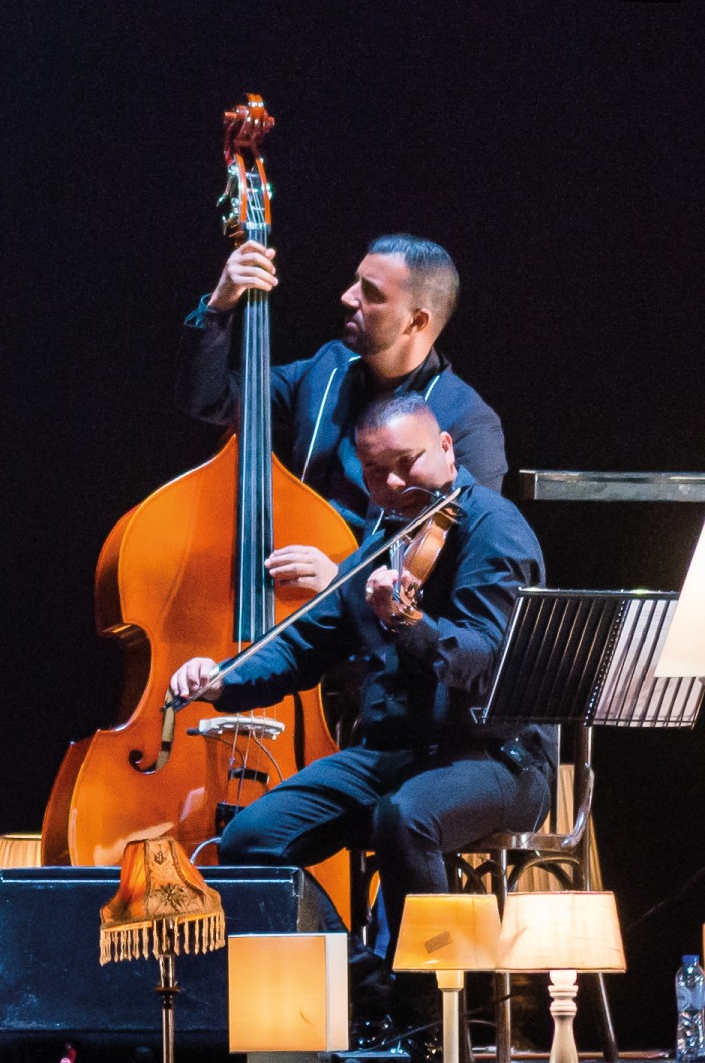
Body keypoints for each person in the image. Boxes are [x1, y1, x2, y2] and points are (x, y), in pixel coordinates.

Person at [167, 394, 549, 1050]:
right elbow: (302, 643)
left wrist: (410, 623)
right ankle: (365, 987)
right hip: (399, 754)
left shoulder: (494, 531)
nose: (394, 484)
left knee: (406, 817)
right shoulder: (384, 543)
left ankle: (425, 1021)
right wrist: (223, 677)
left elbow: (485, 658)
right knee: (252, 838)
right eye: (377, 472)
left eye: (408, 463)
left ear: (446, 450)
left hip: (496, 757)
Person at [177, 233, 507, 594]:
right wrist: (221, 304)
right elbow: (208, 398)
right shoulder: (328, 368)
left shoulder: (468, 423)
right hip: (288, 593)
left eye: (371, 293)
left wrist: (344, 583)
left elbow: (463, 562)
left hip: (373, 620)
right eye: (355, 282)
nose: (348, 297)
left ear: (416, 322)